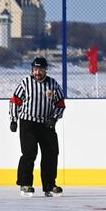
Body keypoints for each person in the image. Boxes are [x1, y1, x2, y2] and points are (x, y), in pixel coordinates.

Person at [10, 55, 65, 197]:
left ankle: (49, 185)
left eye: (40, 69)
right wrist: (13, 120)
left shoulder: (52, 84)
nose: (37, 72)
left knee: (51, 153)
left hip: (46, 124)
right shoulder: (26, 83)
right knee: (29, 153)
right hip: (28, 122)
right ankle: (25, 184)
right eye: (35, 69)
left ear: (45, 70)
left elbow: (60, 104)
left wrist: (54, 118)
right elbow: (15, 101)